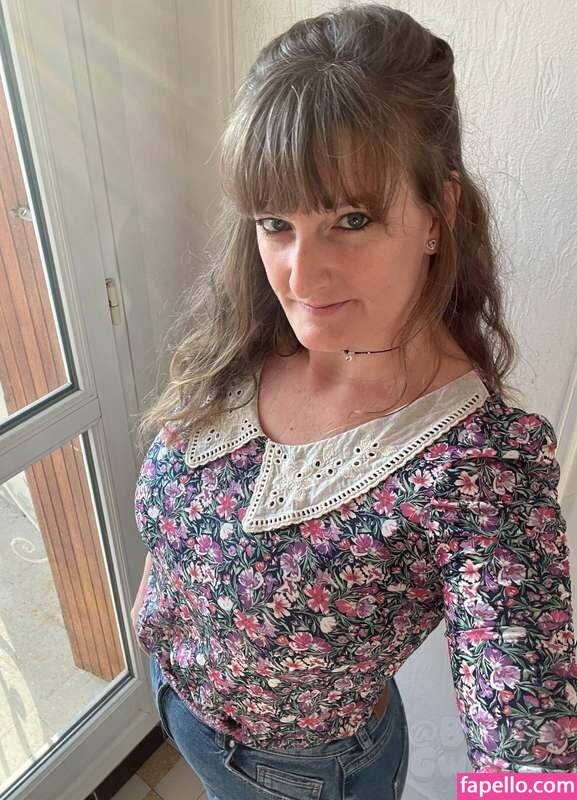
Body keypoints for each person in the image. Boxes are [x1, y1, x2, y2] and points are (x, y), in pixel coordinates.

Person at [131, 3, 577, 797]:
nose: (301, 276)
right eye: (275, 223)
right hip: (176, 702)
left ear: (437, 214)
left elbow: (527, 742)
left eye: (352, 219)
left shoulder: (478, 469)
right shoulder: (243, 338)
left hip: (299, 775)